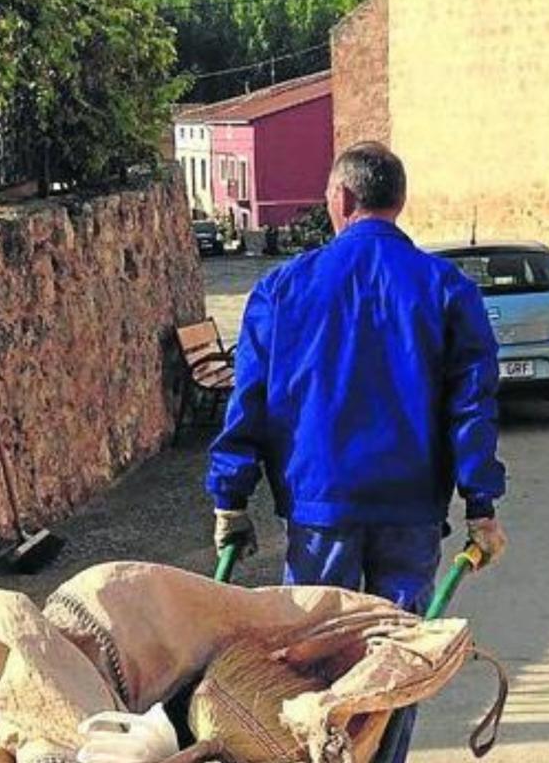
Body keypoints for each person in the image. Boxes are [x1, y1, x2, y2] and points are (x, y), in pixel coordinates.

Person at [206, 142, 509, 763]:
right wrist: (481, 504)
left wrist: (230, 498)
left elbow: (249, 402)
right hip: (410, 515)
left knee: (310, 668)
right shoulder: (446, 289)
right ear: (398, 203)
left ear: (341, 200)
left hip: (320, 515)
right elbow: (471, 406)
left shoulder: (283, 289)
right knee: (395, 671)